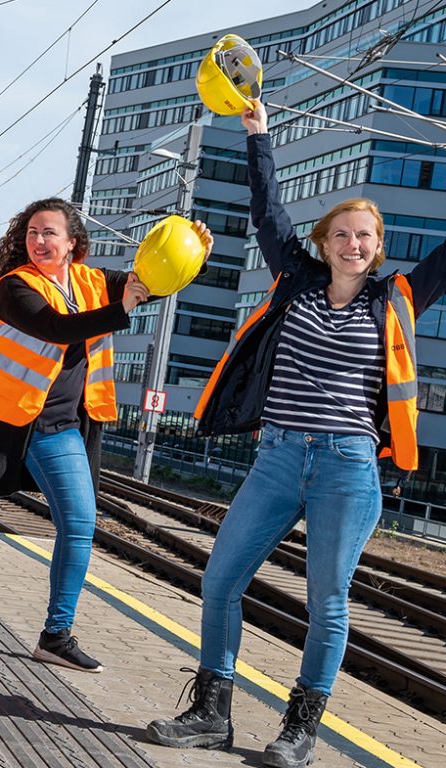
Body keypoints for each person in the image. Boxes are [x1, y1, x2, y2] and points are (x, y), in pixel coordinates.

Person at [146, 100, 446, 768]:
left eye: (365, 235)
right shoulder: (296, 279)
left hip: (348, 465)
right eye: (342, 232)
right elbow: (267, 208)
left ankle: (299, 730)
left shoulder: (398, 297)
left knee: (327, 603)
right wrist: (257, 134)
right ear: (323, 241)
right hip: (279, 455)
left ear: (379, 246)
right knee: (221, 580)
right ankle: (210, 715)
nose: (353, 243)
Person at [0, 197, 213, 671]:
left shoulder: (92, 281)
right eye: (32, 233)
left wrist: (191, 256)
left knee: (80, 523)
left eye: (49, 233)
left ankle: (56, 634)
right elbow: (55, 328)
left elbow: (148, 285)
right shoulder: (13, 286)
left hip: (58, 425)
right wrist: (123, 306)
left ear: (72, 243)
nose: (39, 241)